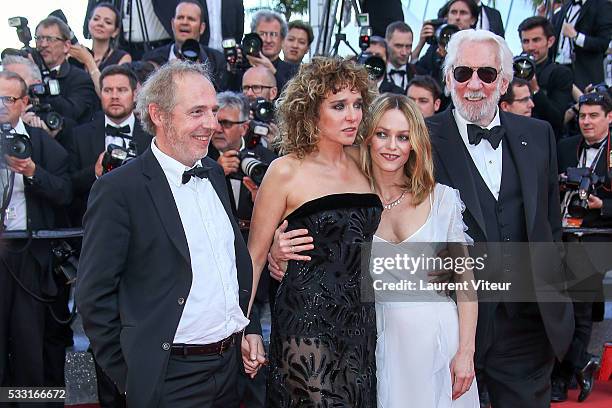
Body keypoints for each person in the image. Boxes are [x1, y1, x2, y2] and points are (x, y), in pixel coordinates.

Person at [268, 93, 480, 407]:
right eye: (382, 134)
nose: (392, 147)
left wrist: (466, 352)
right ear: (367, 137)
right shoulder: (352, 206)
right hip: (378, 342)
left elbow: (465, 282)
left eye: (403, 137)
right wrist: (279, 249)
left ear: (415, 144)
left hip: (438, 342)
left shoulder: (443, 200)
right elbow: (322, 257)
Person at [76, 61, 264, 408]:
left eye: (212, 111)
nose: (211, 124)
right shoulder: (119, 190)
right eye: (197, 112)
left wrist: (248, 325)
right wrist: (131, 377)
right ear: (158, 115)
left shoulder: (213, 173)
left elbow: (228, 266)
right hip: (168, 378)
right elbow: (93, 297)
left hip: (228, 372)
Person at [427, 29, 574, 407]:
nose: (474, 84)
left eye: (487, 74)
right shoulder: (421, 139)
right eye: (463, 73)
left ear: (504, 82)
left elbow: (550, 227)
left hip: (524, 322)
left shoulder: (539, 135)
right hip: (449, 320)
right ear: (448, 80)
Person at [246, 57, 380, 406]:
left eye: (357, 104)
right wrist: (247, 330)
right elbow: (255, 259)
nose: (352, 115)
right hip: (306, 329)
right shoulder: (285, 171)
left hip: (360, 330)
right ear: (309, 111)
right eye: (338, 106)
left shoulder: (365, 164)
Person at [0, 70, 72, 394]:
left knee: (31, 346)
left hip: (30, 257)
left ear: (24, 102)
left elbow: (65, 192)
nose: (1, 106)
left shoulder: (41, 142)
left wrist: (32, 172)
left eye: (8, 99)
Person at [553, 90, 612, 403]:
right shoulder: (565, 146)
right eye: (583, 116)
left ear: (609, 117)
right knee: (569, 308)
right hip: (562, 235)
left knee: (578, 307)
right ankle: (579, 364)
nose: (586, 122)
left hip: (598, 237)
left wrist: (602, 204)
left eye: (594, 116)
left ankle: (563, 376)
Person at [69, 64, 152, 227]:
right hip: (95, 224)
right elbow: (68, 186)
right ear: (100, 94)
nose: (114, 96)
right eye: (108, 90)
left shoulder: (152, 135)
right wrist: (95, 171)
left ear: (135, 95)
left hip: (144, 224)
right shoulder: (79, 135)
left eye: (121, 90)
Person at [143, 0, 227, 90]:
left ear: (202, 28)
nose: (184, 22)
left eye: (191, 19)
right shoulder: (151, 59)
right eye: (180, 17)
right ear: (172, 24)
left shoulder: (217, 60)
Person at [34, 16, 98, 124]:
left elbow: (72, 112)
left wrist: (43, 90)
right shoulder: (28, 74)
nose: (43, 44)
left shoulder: (81, 79)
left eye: (50, 39)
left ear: (66, 46)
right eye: (39, 38)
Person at [518, 16, 574, 138]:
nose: (531, 47)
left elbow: (557, 118)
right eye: (526, 41)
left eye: (536, 40)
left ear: (550, 41)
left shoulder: (561, 73)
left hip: (543, 141)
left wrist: (536, 90)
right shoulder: (512, 69)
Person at [69, 2, 132, 98]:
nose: (100, 24)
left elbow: (109, 95)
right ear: (89, 22)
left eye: (108, 22)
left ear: (115, 32)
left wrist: (89, 61)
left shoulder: (123, 57)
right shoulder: (77, 54)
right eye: (96, 19)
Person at [551, 0, 612, 91]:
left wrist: (576, 36)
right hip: (559, 73)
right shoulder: (565, 8)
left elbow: (603, 44)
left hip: (584, 77)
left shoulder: (602, 5)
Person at [247, 10, 299, 92]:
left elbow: (292, 97)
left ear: (282, 39)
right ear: (254, 37)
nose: (268, 40)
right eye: (263, 34)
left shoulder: (294, 71)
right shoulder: (242, 65)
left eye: (273, 34)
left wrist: (273, 72)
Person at [385, 21, 416, 91]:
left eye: (408, 46)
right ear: (386, 44)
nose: (404, 52)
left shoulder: (418, 74)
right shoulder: (376, 73)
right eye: (398, 46)